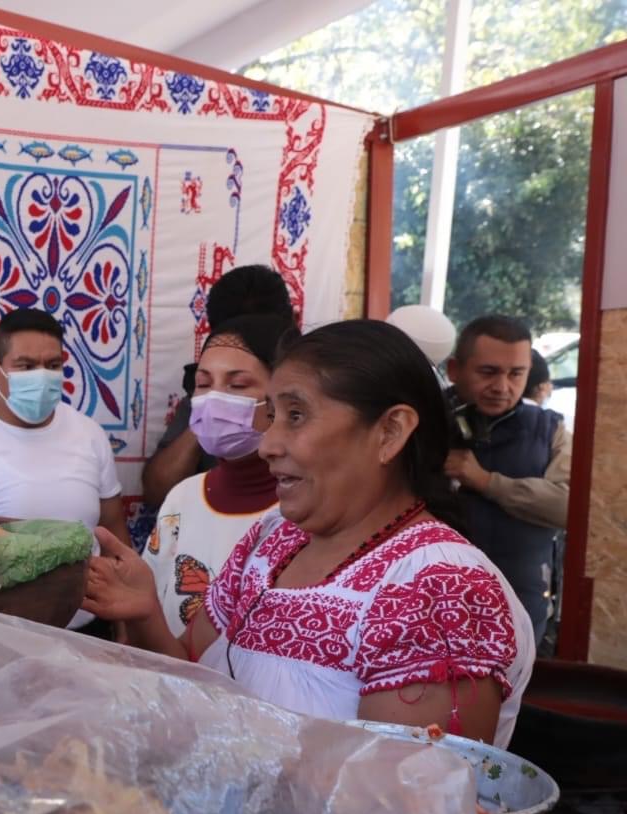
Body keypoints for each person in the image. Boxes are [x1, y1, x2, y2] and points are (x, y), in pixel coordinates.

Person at [86, 320, 533, 748]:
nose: (267, 444)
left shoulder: (442, 589)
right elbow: (198, 680)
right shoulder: (272, 539)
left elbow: (404, 809)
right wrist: (145, 613)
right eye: (273, 415)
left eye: (296, 415)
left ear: (390, 432)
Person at [0, 307, 127, 546]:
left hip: (88, 582)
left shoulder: (91, 435)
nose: (41, 377)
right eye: (26, 366)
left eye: (52, 365)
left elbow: (114, 533)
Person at [142, 314, 293, 637]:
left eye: (237, 385)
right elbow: (146, 607)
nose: (214, 399)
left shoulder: (304, 510)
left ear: (279, 399)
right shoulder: (182, 498)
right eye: (203, 384)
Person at [442, 316, 569, 639]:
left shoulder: (550, 428)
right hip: (433, 598)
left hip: (519, 603)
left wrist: (486, 481)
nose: (502, 387)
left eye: (516, 374)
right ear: (455, 370)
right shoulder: (420, 422)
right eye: (488, 372)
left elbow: (570, 506)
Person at [141, 264, 295, 509]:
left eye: (238, 384)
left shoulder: (309, 494)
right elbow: (158, 492)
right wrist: (207, 414)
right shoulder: (188, 498)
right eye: (205, 381)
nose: (217, 393)